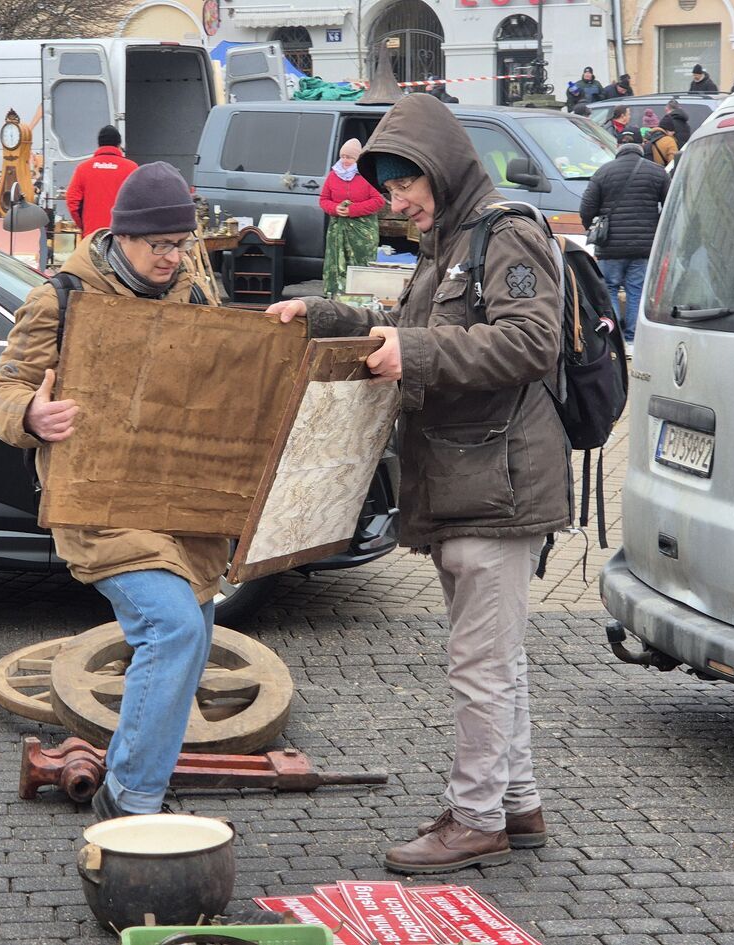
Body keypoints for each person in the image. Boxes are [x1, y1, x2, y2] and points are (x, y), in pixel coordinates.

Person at [265, 94, 569, 874]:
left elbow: (531, 341)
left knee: (480, 664)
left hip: (497, 484)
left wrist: (419, 354)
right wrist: (326, 314)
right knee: (497, 659)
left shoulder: (505, 232)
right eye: (390, 189)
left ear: (440, 167)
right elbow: (402, 323)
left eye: (403, 186)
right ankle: (518, 803)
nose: (394, 202)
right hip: (466, 479)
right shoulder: (448, 239)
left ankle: (476, 819)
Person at [0, 162, 226, 822]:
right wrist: (31, 416)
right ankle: (129, 800)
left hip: (180, 504)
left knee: (195, 632)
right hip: (101, 507)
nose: (174, 258)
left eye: (182, 244)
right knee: (172, 627)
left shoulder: (192, 287)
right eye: (161, 246)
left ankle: (148, 773)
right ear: (123, 236)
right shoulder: (59, 298)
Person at [579, 133, 669, 346]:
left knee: (608, 288)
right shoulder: (657, 172)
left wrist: (590, 228)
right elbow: (670, 206)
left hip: (610, 246)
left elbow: (586, 208)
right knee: (636, 289)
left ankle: (614, 337)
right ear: (641, 145)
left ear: (619, 146)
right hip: (644, 246)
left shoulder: (603, 172)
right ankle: (632, 339)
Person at [320, 137, 386, 297]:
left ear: (357, 158)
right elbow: (323, 200)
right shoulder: (333, 176)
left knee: (361, 262)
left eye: (349, 157)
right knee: (336, 262)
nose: (345, 160)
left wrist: (352, 210)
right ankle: (335, 296)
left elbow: (378, 201)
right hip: (338, 229)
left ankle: (362, 297)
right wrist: (335, 208)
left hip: (362, 231)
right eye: (342, 156)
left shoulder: (366, 176)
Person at [65, 124, 138, 237]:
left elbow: (72, 201)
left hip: (92, 236)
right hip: (122, 236)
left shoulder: (83, 168)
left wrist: (84, 225)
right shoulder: (131, 168)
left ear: (99, 144)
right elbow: (138, 202)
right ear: (118, 145)